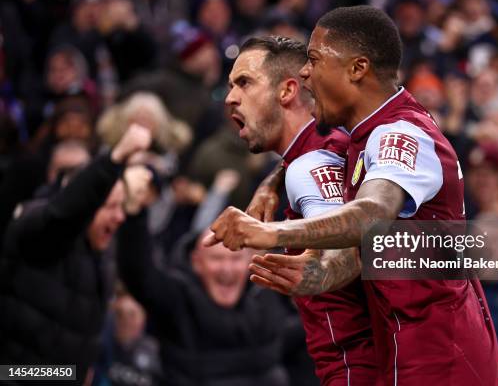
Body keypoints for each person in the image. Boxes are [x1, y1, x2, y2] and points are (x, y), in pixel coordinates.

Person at [205, 5, 498, 385]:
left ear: (357, 69)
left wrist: (271, 233)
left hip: (424, 356)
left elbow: (370, 214)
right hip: (422, 346)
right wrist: (274, 181)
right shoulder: (363, 137)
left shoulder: (392, 135)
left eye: (313, 59)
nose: (307, 72)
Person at [224, 35, 377, 385]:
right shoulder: (324, 148)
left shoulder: (309, 165)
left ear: (287, 91)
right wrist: (273, 180)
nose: (231, 97)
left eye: (244, 83)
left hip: (358, 366)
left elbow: (347, 246)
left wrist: (305, 266)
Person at [0, 123, 152, 384]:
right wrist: (116, 157)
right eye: (109, 206)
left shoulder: (101, 248)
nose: (119, 216)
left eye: (121, 206)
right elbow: (63, 215)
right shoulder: (35, 225)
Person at [116, 169, 290, 386]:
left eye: (234, 260)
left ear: (248, 262)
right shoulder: (178, 297)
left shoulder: (266, 295)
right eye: (216, 259)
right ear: (196, 262)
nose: (226, 269)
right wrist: (133, 214)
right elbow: (138, 273)